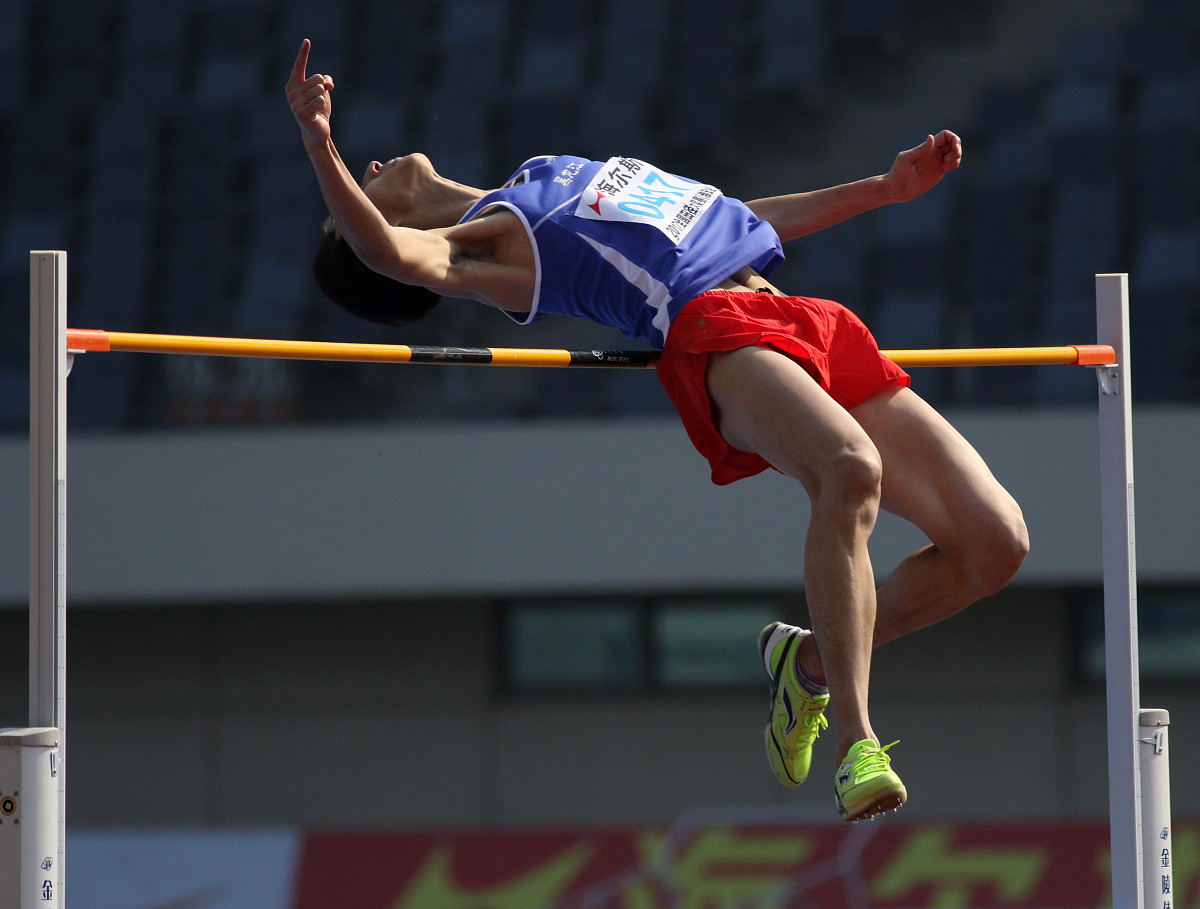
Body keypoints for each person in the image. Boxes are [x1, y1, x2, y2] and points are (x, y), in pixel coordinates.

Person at [286, 39, 1028, 821]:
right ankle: (856, 743)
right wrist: (319, 143)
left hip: (796, 314)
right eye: (351, 202)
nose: (371, 172)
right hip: (714, 333)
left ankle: (805, 662)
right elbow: (389, 250)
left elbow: (729, 220)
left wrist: (882, 190)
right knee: (850, 470)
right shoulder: (488, 251)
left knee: (995, 542)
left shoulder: (538, 176)